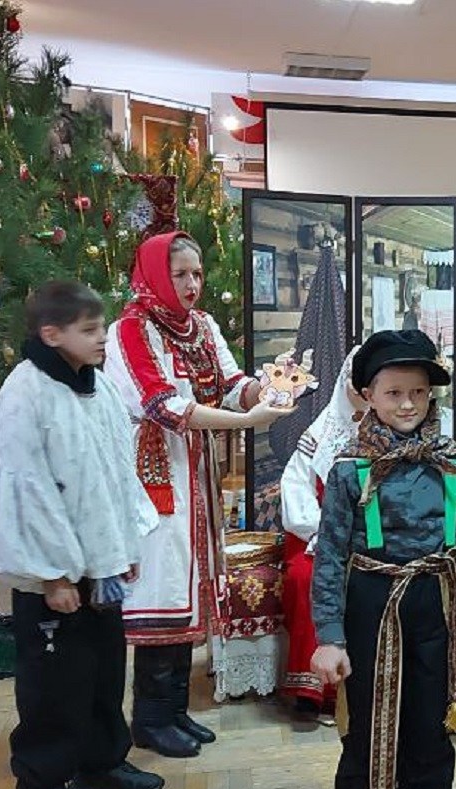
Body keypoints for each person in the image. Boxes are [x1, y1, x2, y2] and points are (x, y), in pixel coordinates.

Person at [0, 281, 164, 789]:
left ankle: (100, 762)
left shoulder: (98, 386)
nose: (103, 337)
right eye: (89, 330)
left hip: (100, 567)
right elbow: (25, 492)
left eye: (101, 326)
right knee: (53, 683)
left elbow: (117, 471)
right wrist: (53, 575)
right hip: (54, 576)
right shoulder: (25, 395)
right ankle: (39, 784)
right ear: (51, 334)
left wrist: (123, 546)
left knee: (103, 670)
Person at [104, 231, 292, 758]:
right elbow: (161, 405)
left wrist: (272, 386)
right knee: (164, 587)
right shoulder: (131, 330)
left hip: (195, 471)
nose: (192, 284)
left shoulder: (202, 326)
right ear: (156, 276)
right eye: (180, 274)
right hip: (157, 475)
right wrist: (246, 421)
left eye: (197, 274)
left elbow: (231, 384)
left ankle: (175, 708)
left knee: (192, 584)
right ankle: (150, 717)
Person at [309, 329, 456, 789]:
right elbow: (329, 557)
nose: (408, 403)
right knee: (369, 733)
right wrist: (330, 636)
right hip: (371, 611)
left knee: (429, 733)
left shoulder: (453, 464)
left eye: (417, 392)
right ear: (367, 395)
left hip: (436, 606)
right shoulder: (350, 469)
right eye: (393, 393)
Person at [279, 344, 365, 722]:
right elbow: (296, 493)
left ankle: (362, 686)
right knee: (306, 577)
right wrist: (329, 534)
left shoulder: (387, 435)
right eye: (355, 383)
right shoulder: (319, 435)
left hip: (368, 539)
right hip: (315, 536)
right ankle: (312, 691)